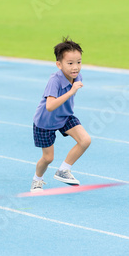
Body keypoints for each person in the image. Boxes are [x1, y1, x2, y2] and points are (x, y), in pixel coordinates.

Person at [31, 37, 91, 192]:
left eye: (78, 62)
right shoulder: (54, 80)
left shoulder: (77, 77)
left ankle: (64, 169)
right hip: (45, 121)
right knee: (48, 158)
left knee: (85, 140)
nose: (75, 67)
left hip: (65, 117)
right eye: (70, 63)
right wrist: (71, 91)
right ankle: (37, 179)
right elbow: (50, 106)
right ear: (59, 64)